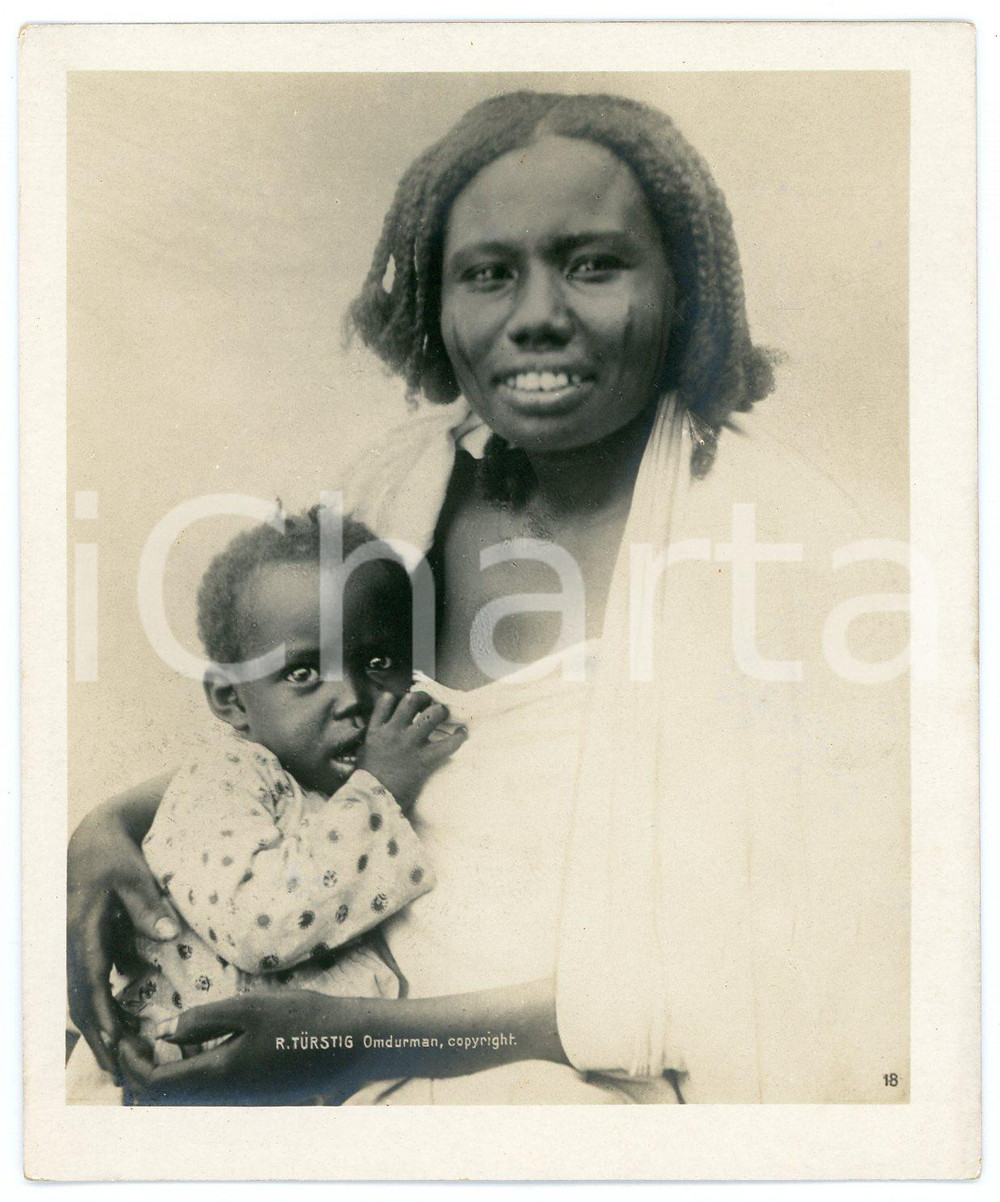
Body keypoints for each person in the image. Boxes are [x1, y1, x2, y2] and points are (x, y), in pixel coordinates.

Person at [67, 90, 908, 1105]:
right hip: (315, 1029)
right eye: (488, 273)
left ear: (684, 286)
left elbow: (746, 972)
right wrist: (105, 827)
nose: (538, 314)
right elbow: (291, 732)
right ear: (436, 293)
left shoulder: (776, 534)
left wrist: (348, 1041)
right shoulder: (400, 486)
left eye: (593, 262)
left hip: (573, 1092)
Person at [67, 508, 466, 1101]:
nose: (353, 697)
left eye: (378, 662)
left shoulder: (316, 786)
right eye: (304, 672)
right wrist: (382, 788)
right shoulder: (220, 783)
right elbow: (265, 926)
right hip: (174, 1090)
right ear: (232, 701)